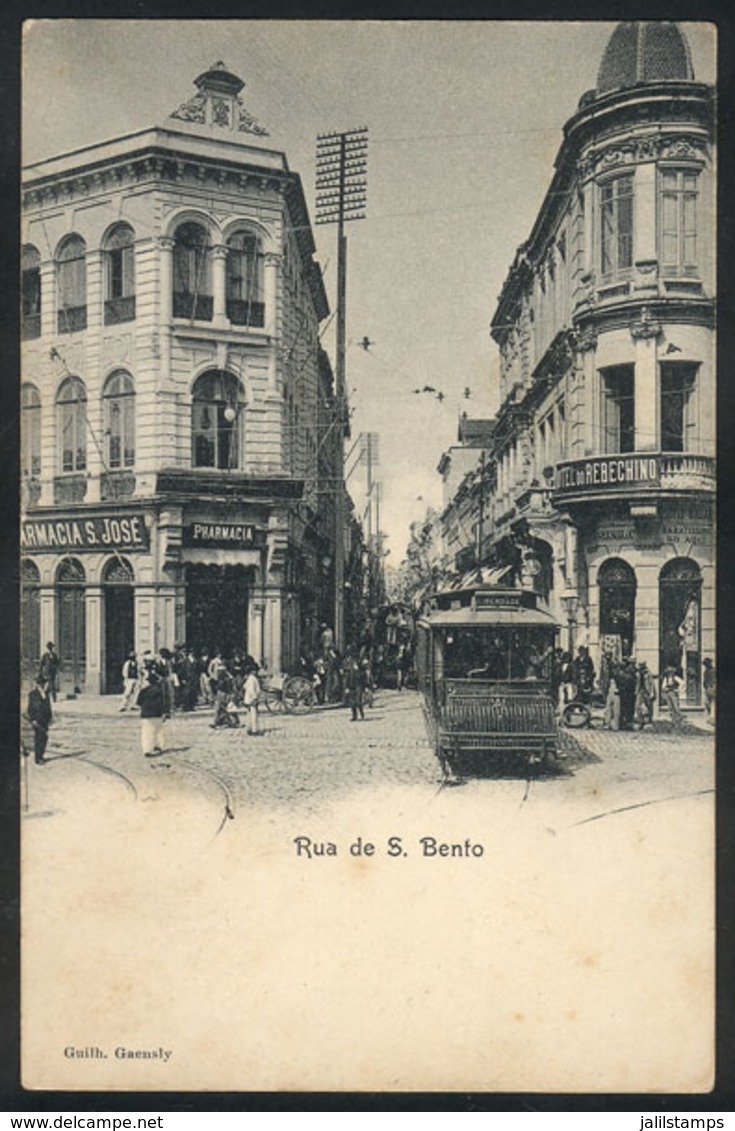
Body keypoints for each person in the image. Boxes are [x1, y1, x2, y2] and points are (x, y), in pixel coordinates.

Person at [137, 658, 168, 757]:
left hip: (146, 715)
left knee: (146, 732)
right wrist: (164, 713)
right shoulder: (159, 691)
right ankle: (158, 746)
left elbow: (138, 702)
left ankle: (147, 749)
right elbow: (163, 703)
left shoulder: (144, 691)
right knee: (159, 730)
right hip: (157, 714)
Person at [26, 676, 53, 764]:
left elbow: (48, 707)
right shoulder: (32, 694)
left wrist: (50, 718)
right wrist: (33, 719)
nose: (41, 686)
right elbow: (30, 708)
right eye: (39, 684)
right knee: (39, 738)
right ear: (37, 685)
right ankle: (38, 758)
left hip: (45, 720)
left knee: (44, 738)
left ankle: (40, 755)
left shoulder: (46, 694)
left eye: (43, 684)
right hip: (37, 720)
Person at [342, 649, 367, 721]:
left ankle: (361, 713)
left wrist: (365, 686)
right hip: (351, 684)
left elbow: (363, 675)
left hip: (358, 684)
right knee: (352, 702)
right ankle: (354, 716)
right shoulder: (346, 665)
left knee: (358, 701)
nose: (349, 659)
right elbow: (345, 677)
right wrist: (346, 687)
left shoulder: (358, 664)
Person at [634, 661, 656, 729]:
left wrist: (652, 692)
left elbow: (652, 683)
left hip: (647, 691)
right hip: (640, 691)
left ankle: (649, 721)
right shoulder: (638, 673)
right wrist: (636, 691)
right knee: (638, 706)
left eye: (642, 665)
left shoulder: (648, 673)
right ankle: (640, 721)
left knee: (649, 706)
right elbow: (637, 683)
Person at [243, 662, 262, 735]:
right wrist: (255, 698)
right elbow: (251, 690)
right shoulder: (253, 679)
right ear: (252, 671)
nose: (256, 672)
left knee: (249, 714)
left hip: (248, 698)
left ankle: (249, 728)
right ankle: (254, 730)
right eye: (255, 670)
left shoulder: (249, 678)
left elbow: (245, 686)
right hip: (252, 699)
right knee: (254, 715)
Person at [702, 658, 715, 723]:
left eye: (706, 664)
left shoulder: (713, 671)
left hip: (712, 688)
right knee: (706, 702)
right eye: (705, 664)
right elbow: (705, 680)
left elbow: (714, 680)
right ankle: (709, 717)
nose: (705, 665)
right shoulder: (706, 671)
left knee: (713, 703)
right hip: (707, 689)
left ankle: (712, 718)